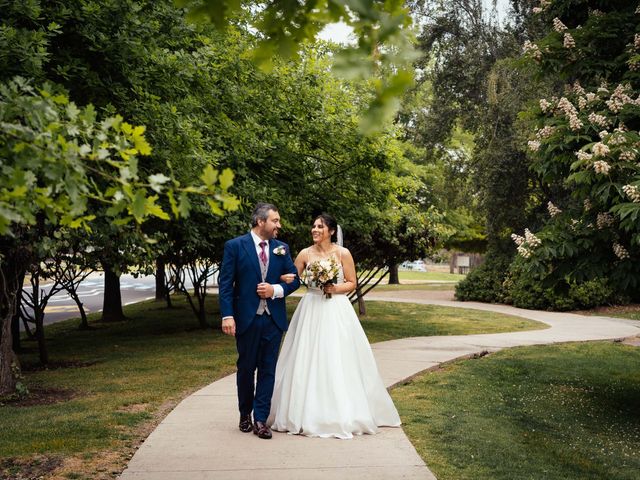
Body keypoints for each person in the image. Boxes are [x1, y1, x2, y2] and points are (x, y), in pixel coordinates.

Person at [268, 213, 401, 439]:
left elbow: (352, 282)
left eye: (320, 227)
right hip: (310, 308)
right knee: (306, 357)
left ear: (331, 231)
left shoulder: (342, 253)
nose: (315, 230)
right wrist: (280, 283)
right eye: (313, 226)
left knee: (338, 357)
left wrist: (334, 288)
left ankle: (343, 413)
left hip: (336, 310)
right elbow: (291, 278)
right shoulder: (304, 254)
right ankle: (302, 412)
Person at [218, 203, 300, 439]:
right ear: (260, 221)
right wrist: (227, 315)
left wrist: (275, 289)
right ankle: (245, 413)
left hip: (273, 320)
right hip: (246, 319)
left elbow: (294, 280)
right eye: (275, 220)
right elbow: (226, 284)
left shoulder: (281, 248)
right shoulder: (235, 246)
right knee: (246, 369)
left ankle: (260, 419)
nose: (279, 225)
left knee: (268, 371)